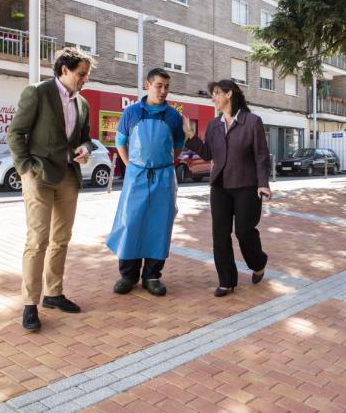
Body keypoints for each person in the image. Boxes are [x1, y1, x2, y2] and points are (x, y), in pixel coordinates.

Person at [7, 48, 95, 332]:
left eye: (86, 76)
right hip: (39, 175)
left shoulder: (83, 104)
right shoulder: (38, 92)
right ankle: (30, 303)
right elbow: (15, 133)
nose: (84, 80)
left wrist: (85, 149)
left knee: (61, 239)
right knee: (38, 240)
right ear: (64, 70)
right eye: (81, 74)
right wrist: (25, 168)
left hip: (68, 175)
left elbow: (85, 139)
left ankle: (53, 294)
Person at [183, 80, 271, 297]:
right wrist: (190, 136)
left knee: (244, 231)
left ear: (229, 94)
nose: (213, 98)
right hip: (220, 186)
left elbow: (261, 155)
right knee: (220, 234)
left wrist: (263, 184)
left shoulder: (252, 122)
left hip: (246, 186)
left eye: (216, 94)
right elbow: (207, 153)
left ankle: (258, 262)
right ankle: (226, 280)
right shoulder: (214, 125)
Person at [106, 68, 185, 297]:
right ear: (147, 85)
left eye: (166, 87)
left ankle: (152, 276)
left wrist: (164, 162)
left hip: (163, 177)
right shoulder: (131, 112)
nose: (163, 91)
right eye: (159, 85)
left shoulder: (174, 116)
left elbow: (178, 146)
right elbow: (121, 141)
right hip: (136, 176)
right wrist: (130, 164)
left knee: (159, 225)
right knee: (131, 222)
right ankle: (128, 275)